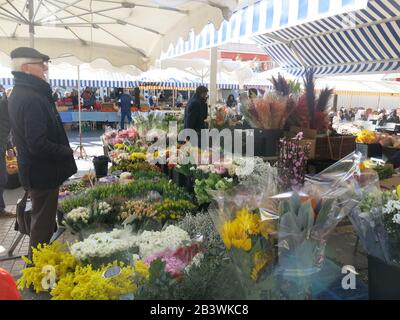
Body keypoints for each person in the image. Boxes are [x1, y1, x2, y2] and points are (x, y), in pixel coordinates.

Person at [8, 47, 77, 259]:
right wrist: (65, 151)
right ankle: (36, 270)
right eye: (41, 64)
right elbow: (37, 143)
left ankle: (38, 265)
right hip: (42, 172)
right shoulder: (30, 97)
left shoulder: (27, 92)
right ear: (27, 68)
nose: (45, 68)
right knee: (43, 225)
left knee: (42, 220)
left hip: (38, 171)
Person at [0, 86, 12, 217]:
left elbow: (5, 130)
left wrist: (9, 146)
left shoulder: (5, 105)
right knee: (1, 178)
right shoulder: (4, 107)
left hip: (2, 145)